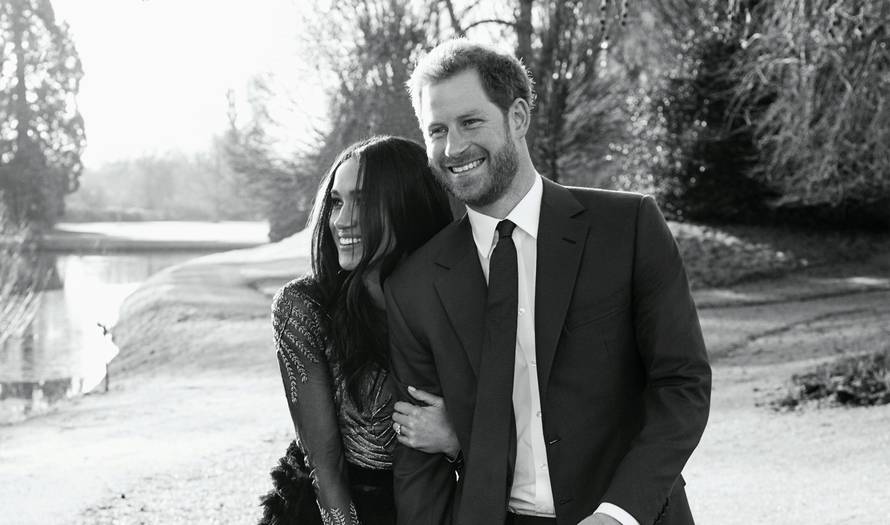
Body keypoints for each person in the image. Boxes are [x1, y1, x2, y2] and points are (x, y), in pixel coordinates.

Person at [386, 40, 711, 525]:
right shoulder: (414, 285)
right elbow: (419, 462)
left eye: (470, 122)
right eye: (437, 130)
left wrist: (618, 515)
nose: (453, 148)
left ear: (517, 117)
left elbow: (681, 386)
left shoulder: (628, 227)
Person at [260, 136, 460, 525]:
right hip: (330, 508)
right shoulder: (303, 307)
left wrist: (455, 443)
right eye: (336, 201)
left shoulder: (455, 301)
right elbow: (325, 465)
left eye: (363, 201)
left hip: (430, 504)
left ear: (409, 205)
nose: (340, 220)